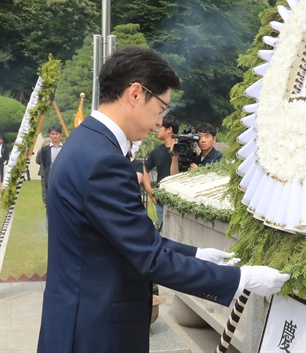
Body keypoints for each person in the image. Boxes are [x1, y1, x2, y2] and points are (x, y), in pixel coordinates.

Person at [37, 46, 290, 353]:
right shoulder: (104, 161)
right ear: (135, 93)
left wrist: (197, 254)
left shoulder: (84, 142)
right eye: (160, 108)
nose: (160, 122)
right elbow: (149, 257)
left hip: (76, 321)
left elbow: (127, 236)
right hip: (96, 332)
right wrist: (241, 278)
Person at [143, 114, 179, 230]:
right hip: (161, 202)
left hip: (180, 200)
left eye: (160, 127)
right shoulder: (157, 151)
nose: (157, 130)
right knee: (164, 232)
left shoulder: (184, 149)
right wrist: (149, 191)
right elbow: (145, 169)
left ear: (169, 130)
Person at [36, 125, 63, 205]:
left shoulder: (65, 148)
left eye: (57, 134)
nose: (55, 136)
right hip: (49, 175)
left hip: (62, 175)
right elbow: (44, 163)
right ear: (49, 135)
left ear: (60, 135)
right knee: (49, 196)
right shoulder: (44, 149)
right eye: (53, 134)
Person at [35, 137, 51, 204]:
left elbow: (37, 161)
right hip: (51, 172)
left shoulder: (40, 151)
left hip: (43, 172)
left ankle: (45, 201)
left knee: (44, 188)